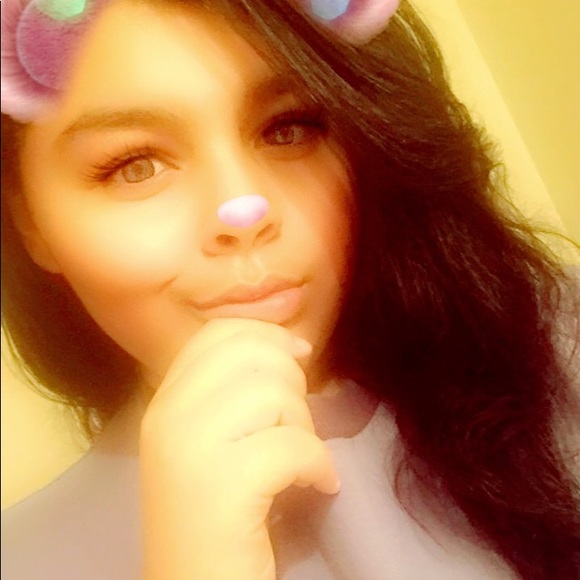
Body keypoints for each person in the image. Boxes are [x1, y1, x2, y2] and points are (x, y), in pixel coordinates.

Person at [1, 0, 579, 578]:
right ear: (31, 223)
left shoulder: (555, 342)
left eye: (288, 129)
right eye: (135, 165)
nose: (243, 210)